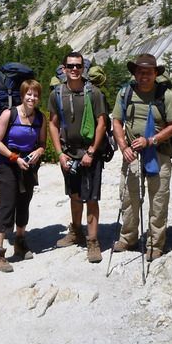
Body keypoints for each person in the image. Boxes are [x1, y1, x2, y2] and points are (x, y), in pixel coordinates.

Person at [111, 53, 172, 262]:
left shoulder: (166, 95)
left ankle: (155, 244)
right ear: (135, 73)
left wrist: (151, 141)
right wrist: (123, 146)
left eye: (148, 72)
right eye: (140, 72)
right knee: (129, 197)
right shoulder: (125, 93)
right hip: (131, 152)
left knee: (158, 199)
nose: (144, 76)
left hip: (159, 152)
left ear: (155, 73)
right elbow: (116, 121)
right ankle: (127, 237)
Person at [47, 51, 108, 263]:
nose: (74, 69)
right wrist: (59, 154)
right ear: (64, 69)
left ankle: (93, 241)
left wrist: (92, 151)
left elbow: (102, 123)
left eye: (78, 66)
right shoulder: (57, 94)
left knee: (91, 197)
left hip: (90, 153)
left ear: (83, 68)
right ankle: (76, 232)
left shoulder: (94, 93)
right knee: (74, 195)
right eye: (71, 66)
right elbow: (52, 124)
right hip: (69, 152)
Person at [0, 79, 47, 272]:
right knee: (7, 204)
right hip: (8, 163)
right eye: (29, 94)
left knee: (24, 202)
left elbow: (42, 144)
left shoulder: (40, 118)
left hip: (28, 165)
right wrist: (14, 158)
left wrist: (38, 152)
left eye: (36, 95)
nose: (32, 98)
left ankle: (20, 242)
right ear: (22, 96)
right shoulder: (9, 114)